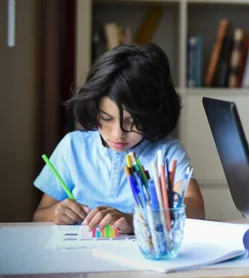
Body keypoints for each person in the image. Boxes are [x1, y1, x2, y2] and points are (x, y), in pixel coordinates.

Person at [33, 43, 205, 234]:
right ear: (94, 108)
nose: (117, 134)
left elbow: (196, 208)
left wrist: (137, 220)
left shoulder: (166, 153)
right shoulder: (72, 147)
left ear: (153, 114)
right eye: (107, 118)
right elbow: (39, 216)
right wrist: (56, 214)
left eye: (133, 122)